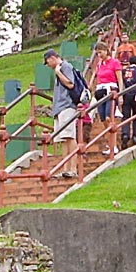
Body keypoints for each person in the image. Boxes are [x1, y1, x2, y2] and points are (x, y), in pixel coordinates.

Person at [44, 49, 80, 178]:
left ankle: (73, 168)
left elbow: (70, 84)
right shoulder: (60, 68)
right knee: (63, 139)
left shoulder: (65, 66)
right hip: (59, 108)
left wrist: (58, 72)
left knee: (70, 137)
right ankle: (65, 168)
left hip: (67, 105)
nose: (47, 65)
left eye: (47, 62)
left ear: (52, 58)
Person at [90, 43, 124, 155]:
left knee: (109, 117)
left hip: (111, 90)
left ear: (106, 50)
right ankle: (110, 143)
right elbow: (97, 77)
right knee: (103, 119)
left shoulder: (115, 62)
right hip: (101, 91)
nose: (99, 55)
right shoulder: (100, 64)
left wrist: (121, 94)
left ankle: (114, 145)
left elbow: (119, 79)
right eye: (97, 53)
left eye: (100, 52)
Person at [119, 54, 136, 149]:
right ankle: (135, 135)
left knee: (125, 116)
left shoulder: (124, 71)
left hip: (126, 94)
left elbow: (121, 83)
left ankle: (125, 134)